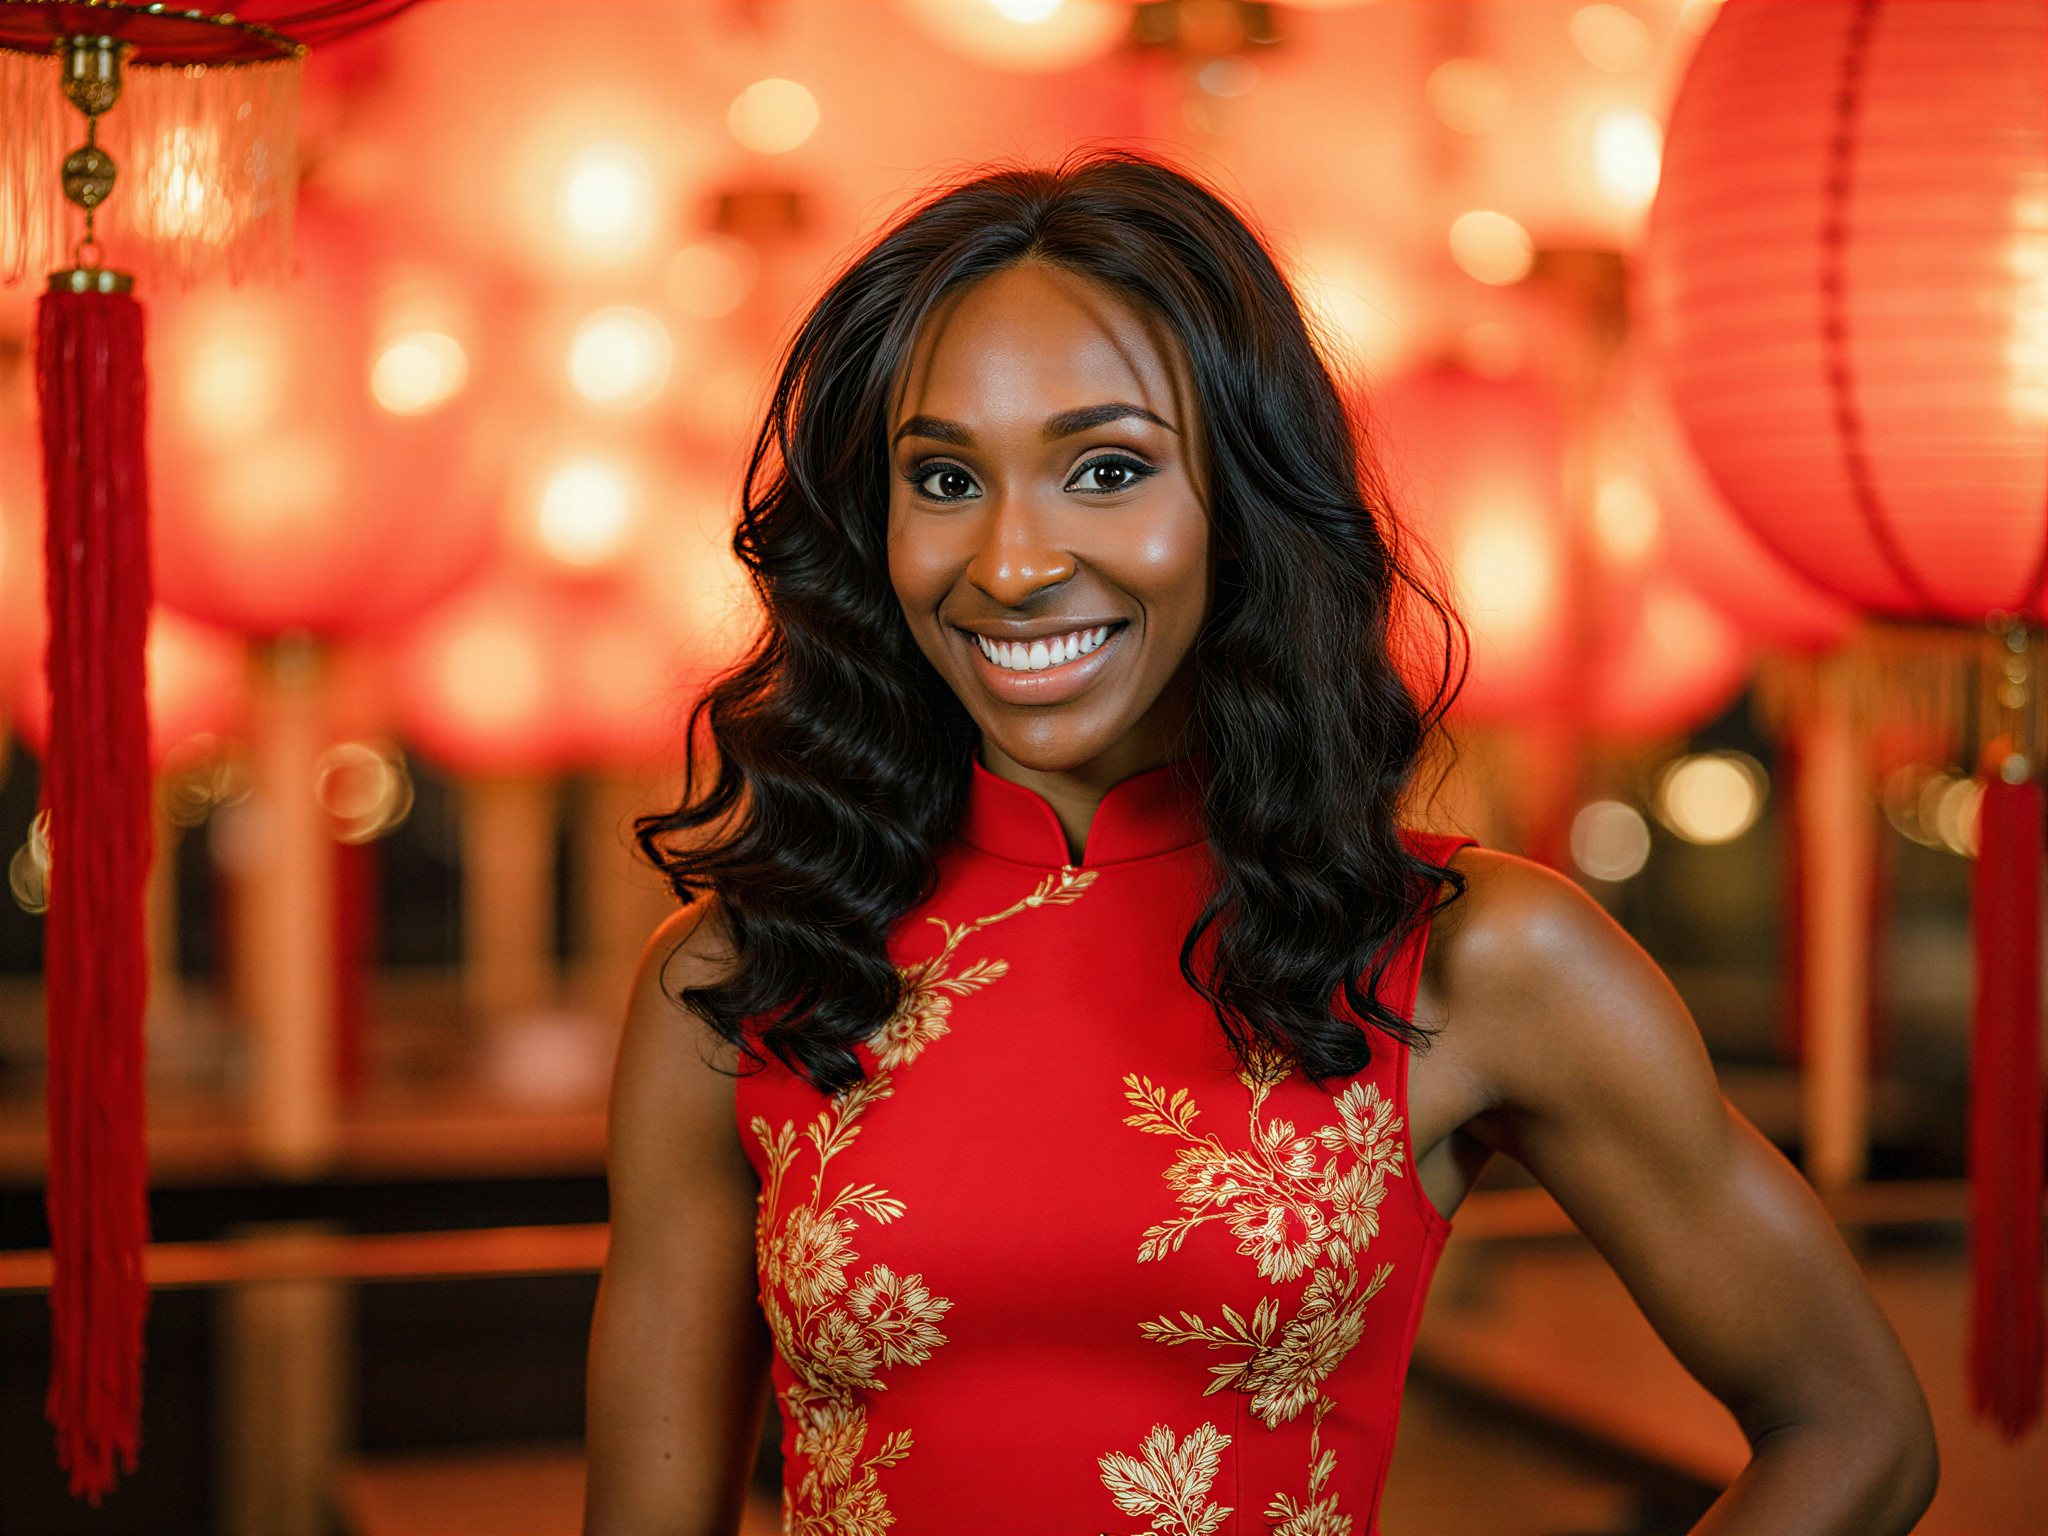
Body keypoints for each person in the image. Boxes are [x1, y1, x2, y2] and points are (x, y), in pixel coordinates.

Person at [584, 153, 1936, 1535]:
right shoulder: (738, 980)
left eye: (1107, 470)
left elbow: (1860, 1435)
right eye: (942, 478)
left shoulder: (1472, 957)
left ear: (1243, 505)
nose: (1010, 564)